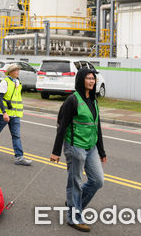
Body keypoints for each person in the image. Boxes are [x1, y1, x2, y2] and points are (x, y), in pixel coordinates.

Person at [50, 68, 107, 232]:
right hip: (75, 147)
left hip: (91, 147)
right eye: (88, 78)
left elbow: (97, 127)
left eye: (93, 79)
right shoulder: (72, 100)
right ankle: (74, 217)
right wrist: (56, 151)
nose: (91, 81)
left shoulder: (94, 100)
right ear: (81, 80)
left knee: (97, 180)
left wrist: (102, 151)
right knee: (75, 181)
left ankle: (75, 205)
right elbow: (62, 127)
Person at [0, 63, 32, 165]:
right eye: (16, 70)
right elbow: (0, 98)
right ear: (10, 72)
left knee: (16, 135)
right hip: (4, 114)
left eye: (18, 70)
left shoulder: (18, 82)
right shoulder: (5, 82)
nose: (18, 72)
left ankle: (19, 157)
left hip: (15, 114)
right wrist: (4, 113)